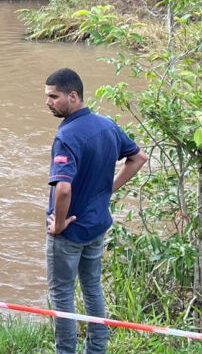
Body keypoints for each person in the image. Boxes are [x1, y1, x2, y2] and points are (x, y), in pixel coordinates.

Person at [43, 68, 147, 354]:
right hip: (98, 225)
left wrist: (60, 224)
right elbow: (138, 158)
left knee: (62, 295)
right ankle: (97, 349)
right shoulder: (107, 125)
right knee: (92, 289)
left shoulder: (66, 136)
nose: (48, 103)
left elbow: (63, 189)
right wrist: (107, 190)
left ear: (73, 96)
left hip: (69, 232)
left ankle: (65, 351)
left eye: (54, 96)